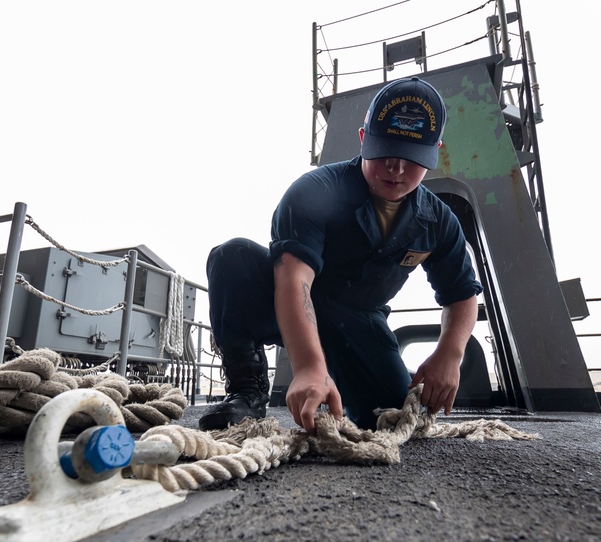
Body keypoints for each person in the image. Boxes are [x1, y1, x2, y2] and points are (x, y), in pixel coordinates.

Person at [200, 76, 483, 433]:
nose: (396, 169)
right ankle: (247, 392)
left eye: (410, 158)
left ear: (435, 151)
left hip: (359, 320)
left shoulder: (438, 222)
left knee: (387, 415)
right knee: (232, 257)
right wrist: (307, 366)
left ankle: (344, 391)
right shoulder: (315, 191)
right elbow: (295, 279)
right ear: (364, 139)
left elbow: (462, 295)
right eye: (385, 152)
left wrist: (450, 354)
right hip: (289, 304)